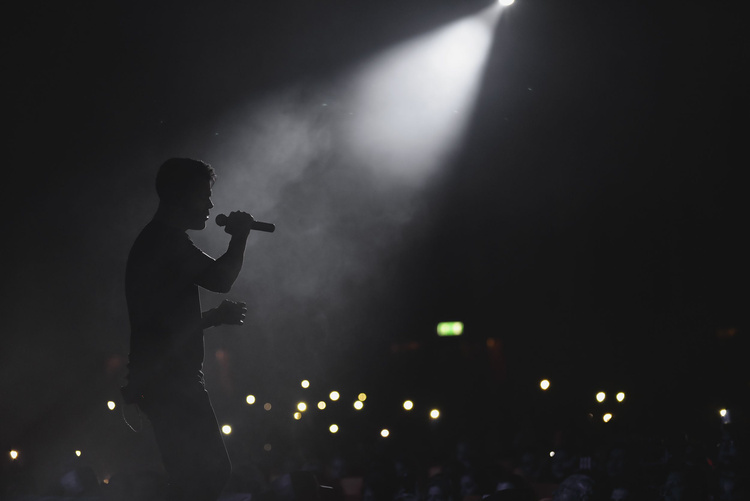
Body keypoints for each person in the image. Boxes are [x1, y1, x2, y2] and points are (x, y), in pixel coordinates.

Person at [121, 158, 256, 501]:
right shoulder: (165, 242)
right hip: (169, 379)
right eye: (204, 195)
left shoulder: (160, 241)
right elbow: (221, 279)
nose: (211, 205)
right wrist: (239, 236)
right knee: (208, 473)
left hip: (163, 377)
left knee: (195, 477)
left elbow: (163, 325)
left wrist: (211, 317)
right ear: (180, 195)